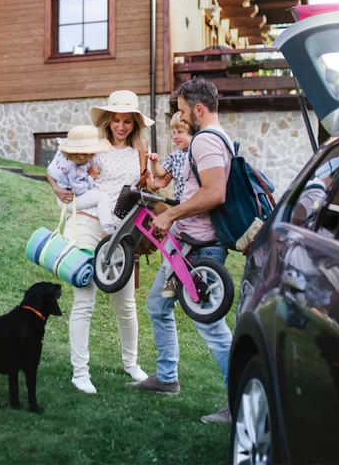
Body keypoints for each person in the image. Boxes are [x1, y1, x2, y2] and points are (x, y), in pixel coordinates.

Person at [126, 77, 234, 425]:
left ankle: (241, 401)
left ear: (199, 109)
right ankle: (167, 377)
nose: (183, 118)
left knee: (213, 328)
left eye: (185, 111)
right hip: (184, 245)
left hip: (202, 252)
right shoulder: (214, 140)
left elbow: (215, 193)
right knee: (158, 304)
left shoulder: (205, 141)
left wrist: (170, 213)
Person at [45, 90, 154, 395]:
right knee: (85, 299)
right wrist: (56, 189)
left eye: (127, 122)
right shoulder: (92, 144)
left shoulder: (141, 151)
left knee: (126, 303)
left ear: (135, 124)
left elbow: (144, 187)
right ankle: (80, 372)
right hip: (86, 221)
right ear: (108, 120)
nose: (121, 126)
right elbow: (56, 167)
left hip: (121, 232)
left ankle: (131, 364)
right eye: (116, 120)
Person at [146, 111, 199, 298]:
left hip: (193, 207)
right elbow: (160, 172)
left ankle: (172, 277)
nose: (176, 137)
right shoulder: (176, 156)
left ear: (194, 134)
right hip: (180, 207)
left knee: (175, 242)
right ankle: (171, 277)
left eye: (181, 132)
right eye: (174, 132)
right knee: (172, 242)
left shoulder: (199, 154)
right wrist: (154, 164)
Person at [46, 125, 116, 234]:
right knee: (102, 197)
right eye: (84, 159)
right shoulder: (73, 169)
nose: (88, 161)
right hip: (69, 200)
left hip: (63, 196)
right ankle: (109, 229)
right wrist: (91, 176)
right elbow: (81, 190)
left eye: (91, 156)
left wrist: (55, 188)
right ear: (72, 155)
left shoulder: (63, 153)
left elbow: (50, 170)